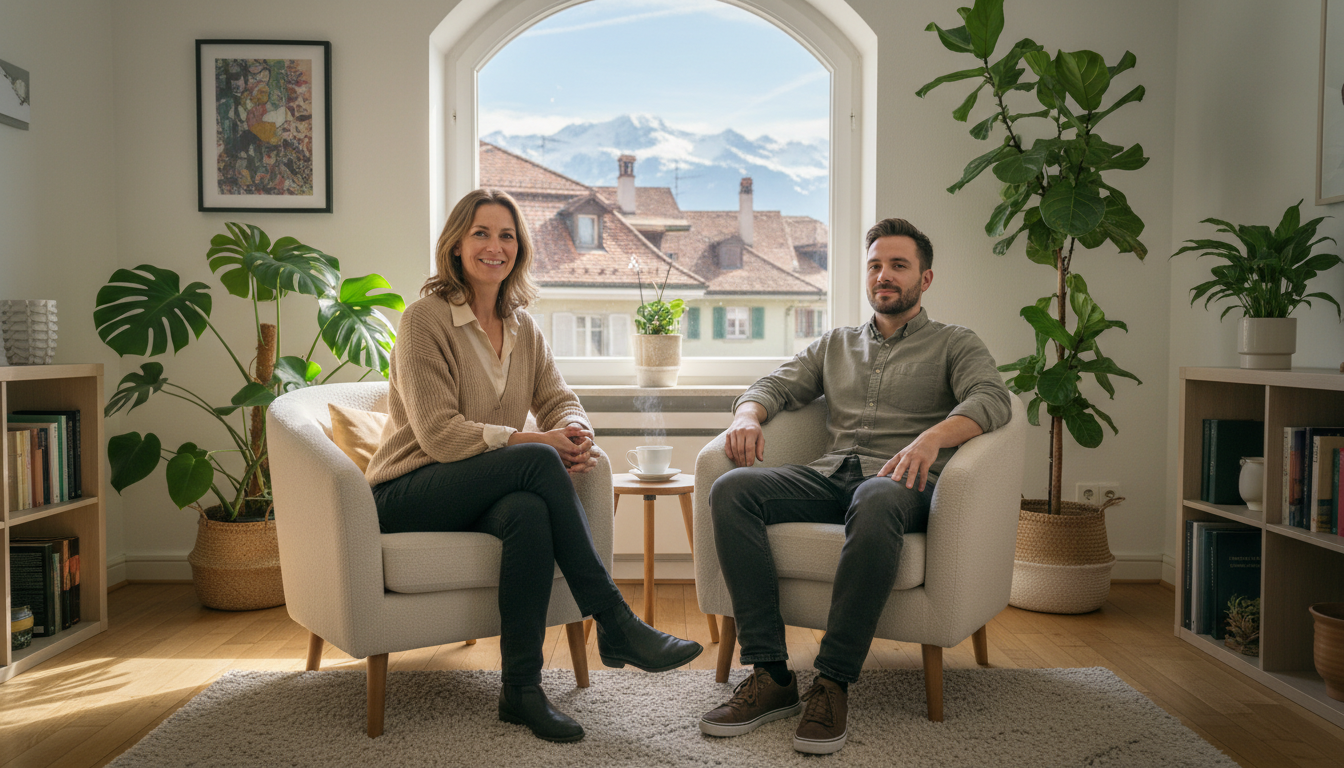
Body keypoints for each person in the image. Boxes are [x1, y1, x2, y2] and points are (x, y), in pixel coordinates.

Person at [365, 189, 702, 743]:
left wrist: (574, 431)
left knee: (527, 508)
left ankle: (520, 690)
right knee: (537, 460)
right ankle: (614, 620)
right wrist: (538, 440)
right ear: (455, 243)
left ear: (519, 249)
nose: (494, 246)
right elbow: (439, 436)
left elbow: (559, 398)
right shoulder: (423, 320)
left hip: (475, 490)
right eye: (480, 233)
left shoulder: (523, 325)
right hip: (407, 490)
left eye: (507, 235)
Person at [698, 218, 1013, 754]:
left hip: (899, 484)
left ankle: (833, 681)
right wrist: (748, 416)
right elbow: (774, 383)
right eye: (874, 265)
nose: (883, 275)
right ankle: (772, 674)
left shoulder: (955, 344)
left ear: (925, 279)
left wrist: (931, 439)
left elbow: (991, 399)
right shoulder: (835, 344)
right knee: (732, 489)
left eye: (898, 265)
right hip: (829, 475)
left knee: (874, 496)